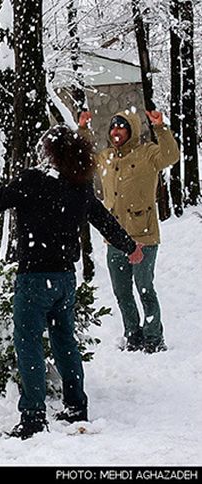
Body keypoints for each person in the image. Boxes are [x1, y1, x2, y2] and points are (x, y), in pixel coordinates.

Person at [0, 125, 143, 440]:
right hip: (65, 279)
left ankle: (34, 417)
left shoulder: (30, 182)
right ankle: (76, 406)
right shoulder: (78, 185)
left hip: (34, 279)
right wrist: (130, 246)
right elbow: (104, 219)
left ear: (48, 152)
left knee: (29, 346)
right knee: (65, 341)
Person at [78, 109, 179, 353]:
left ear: (131, 130)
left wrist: (160, 128)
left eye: (121, 127)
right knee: (122, 292)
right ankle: (133, 335)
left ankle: (154, 338)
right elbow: (82, 156)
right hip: (115, 238)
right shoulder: (106, 157)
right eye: (113, 127)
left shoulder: (147, 154)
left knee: (144, 287)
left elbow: (171, 155)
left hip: (143, 234)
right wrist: (82, 130)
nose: (116, 131)